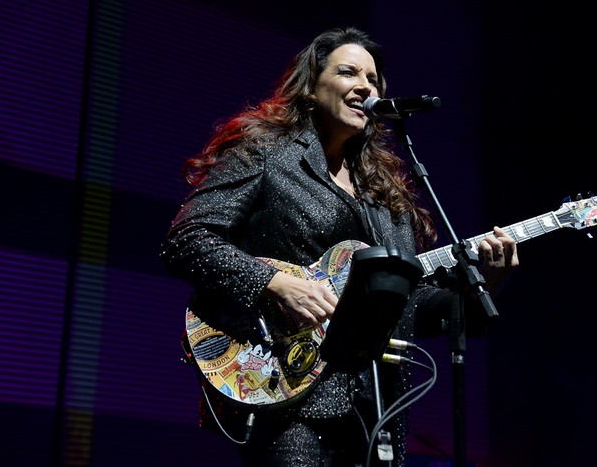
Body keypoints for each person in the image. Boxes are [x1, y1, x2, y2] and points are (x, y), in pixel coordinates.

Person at [160, 27, 519, 466]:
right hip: (284, 390)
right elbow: (187, 240)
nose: (365, 86)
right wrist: (276, 284)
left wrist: (486, 283)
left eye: (373, 79)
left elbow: (406, 307)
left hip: (375, 408)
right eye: (349, 72)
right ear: (311, 88)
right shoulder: (266, 152)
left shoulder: (383, 193)